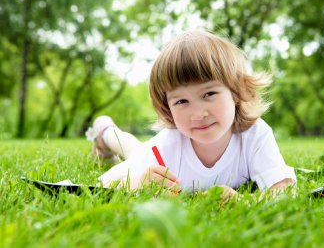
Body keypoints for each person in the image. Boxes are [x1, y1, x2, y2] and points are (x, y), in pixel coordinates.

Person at [87, 30, 296, 195]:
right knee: (131, 149)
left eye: (209, 94)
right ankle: (104, 129)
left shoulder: (255, 135)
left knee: (133, 148)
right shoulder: (167, 146)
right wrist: (139, 181)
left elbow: (284, 188)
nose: (198, 113)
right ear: (167, 106)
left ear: (235, 91)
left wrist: (245, 201)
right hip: (154, 154)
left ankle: (106, 129)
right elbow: (102, 185)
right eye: (182, 101)